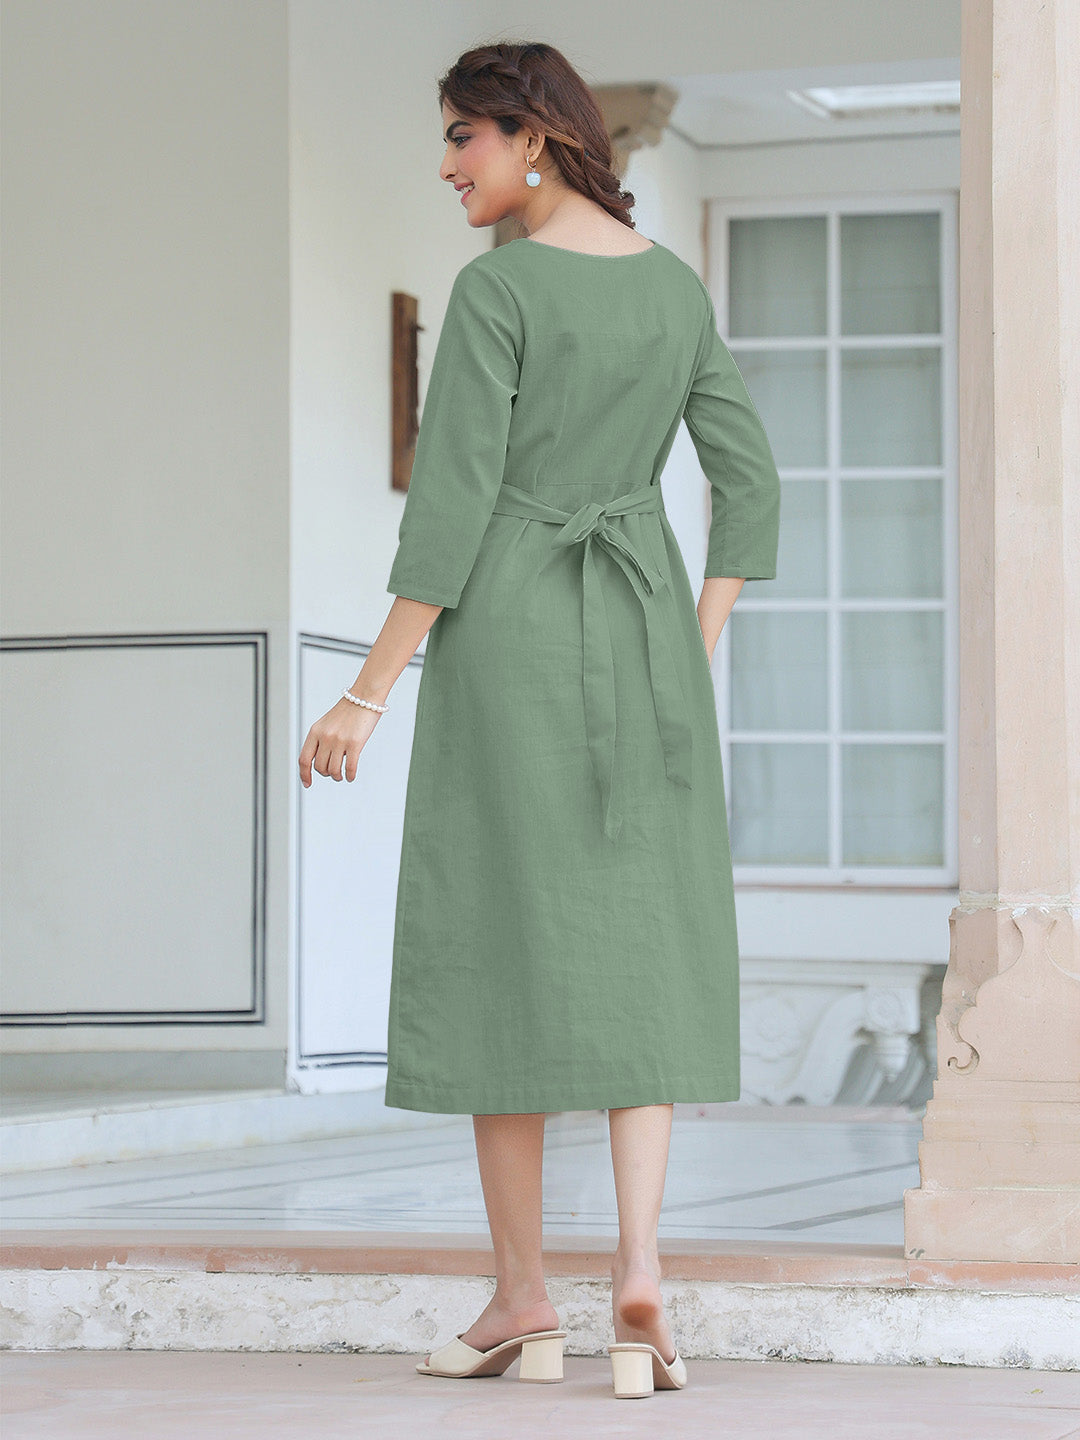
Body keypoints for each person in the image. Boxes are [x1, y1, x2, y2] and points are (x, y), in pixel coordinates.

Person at [298, 40, 780, 1399]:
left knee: (494, 944)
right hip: (643, 633)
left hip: (511, 632)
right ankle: (640, 1280)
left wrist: (366, 690)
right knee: (646, 945)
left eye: (465, 136)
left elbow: (452, 509)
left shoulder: (500, 288)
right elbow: (752, 486)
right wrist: (690, 642)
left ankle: (521, 1298)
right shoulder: (674, 289)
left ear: (534, 136)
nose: (449, 165)